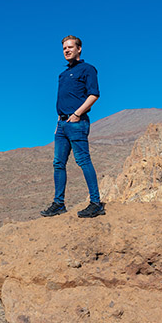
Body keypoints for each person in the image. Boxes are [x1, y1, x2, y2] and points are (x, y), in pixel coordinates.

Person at [41, 34, 104, 218]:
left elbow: (94, 94)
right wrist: (58, 122)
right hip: (61, 124)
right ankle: (59, 204)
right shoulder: (62, 75)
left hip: (77, 123)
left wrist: (77, 114)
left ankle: (96, 203)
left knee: (83, 161)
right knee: (58, 163)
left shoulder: (87, 69)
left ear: (79, 49)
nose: (67, 50)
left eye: (70, 47)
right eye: (64, 48)